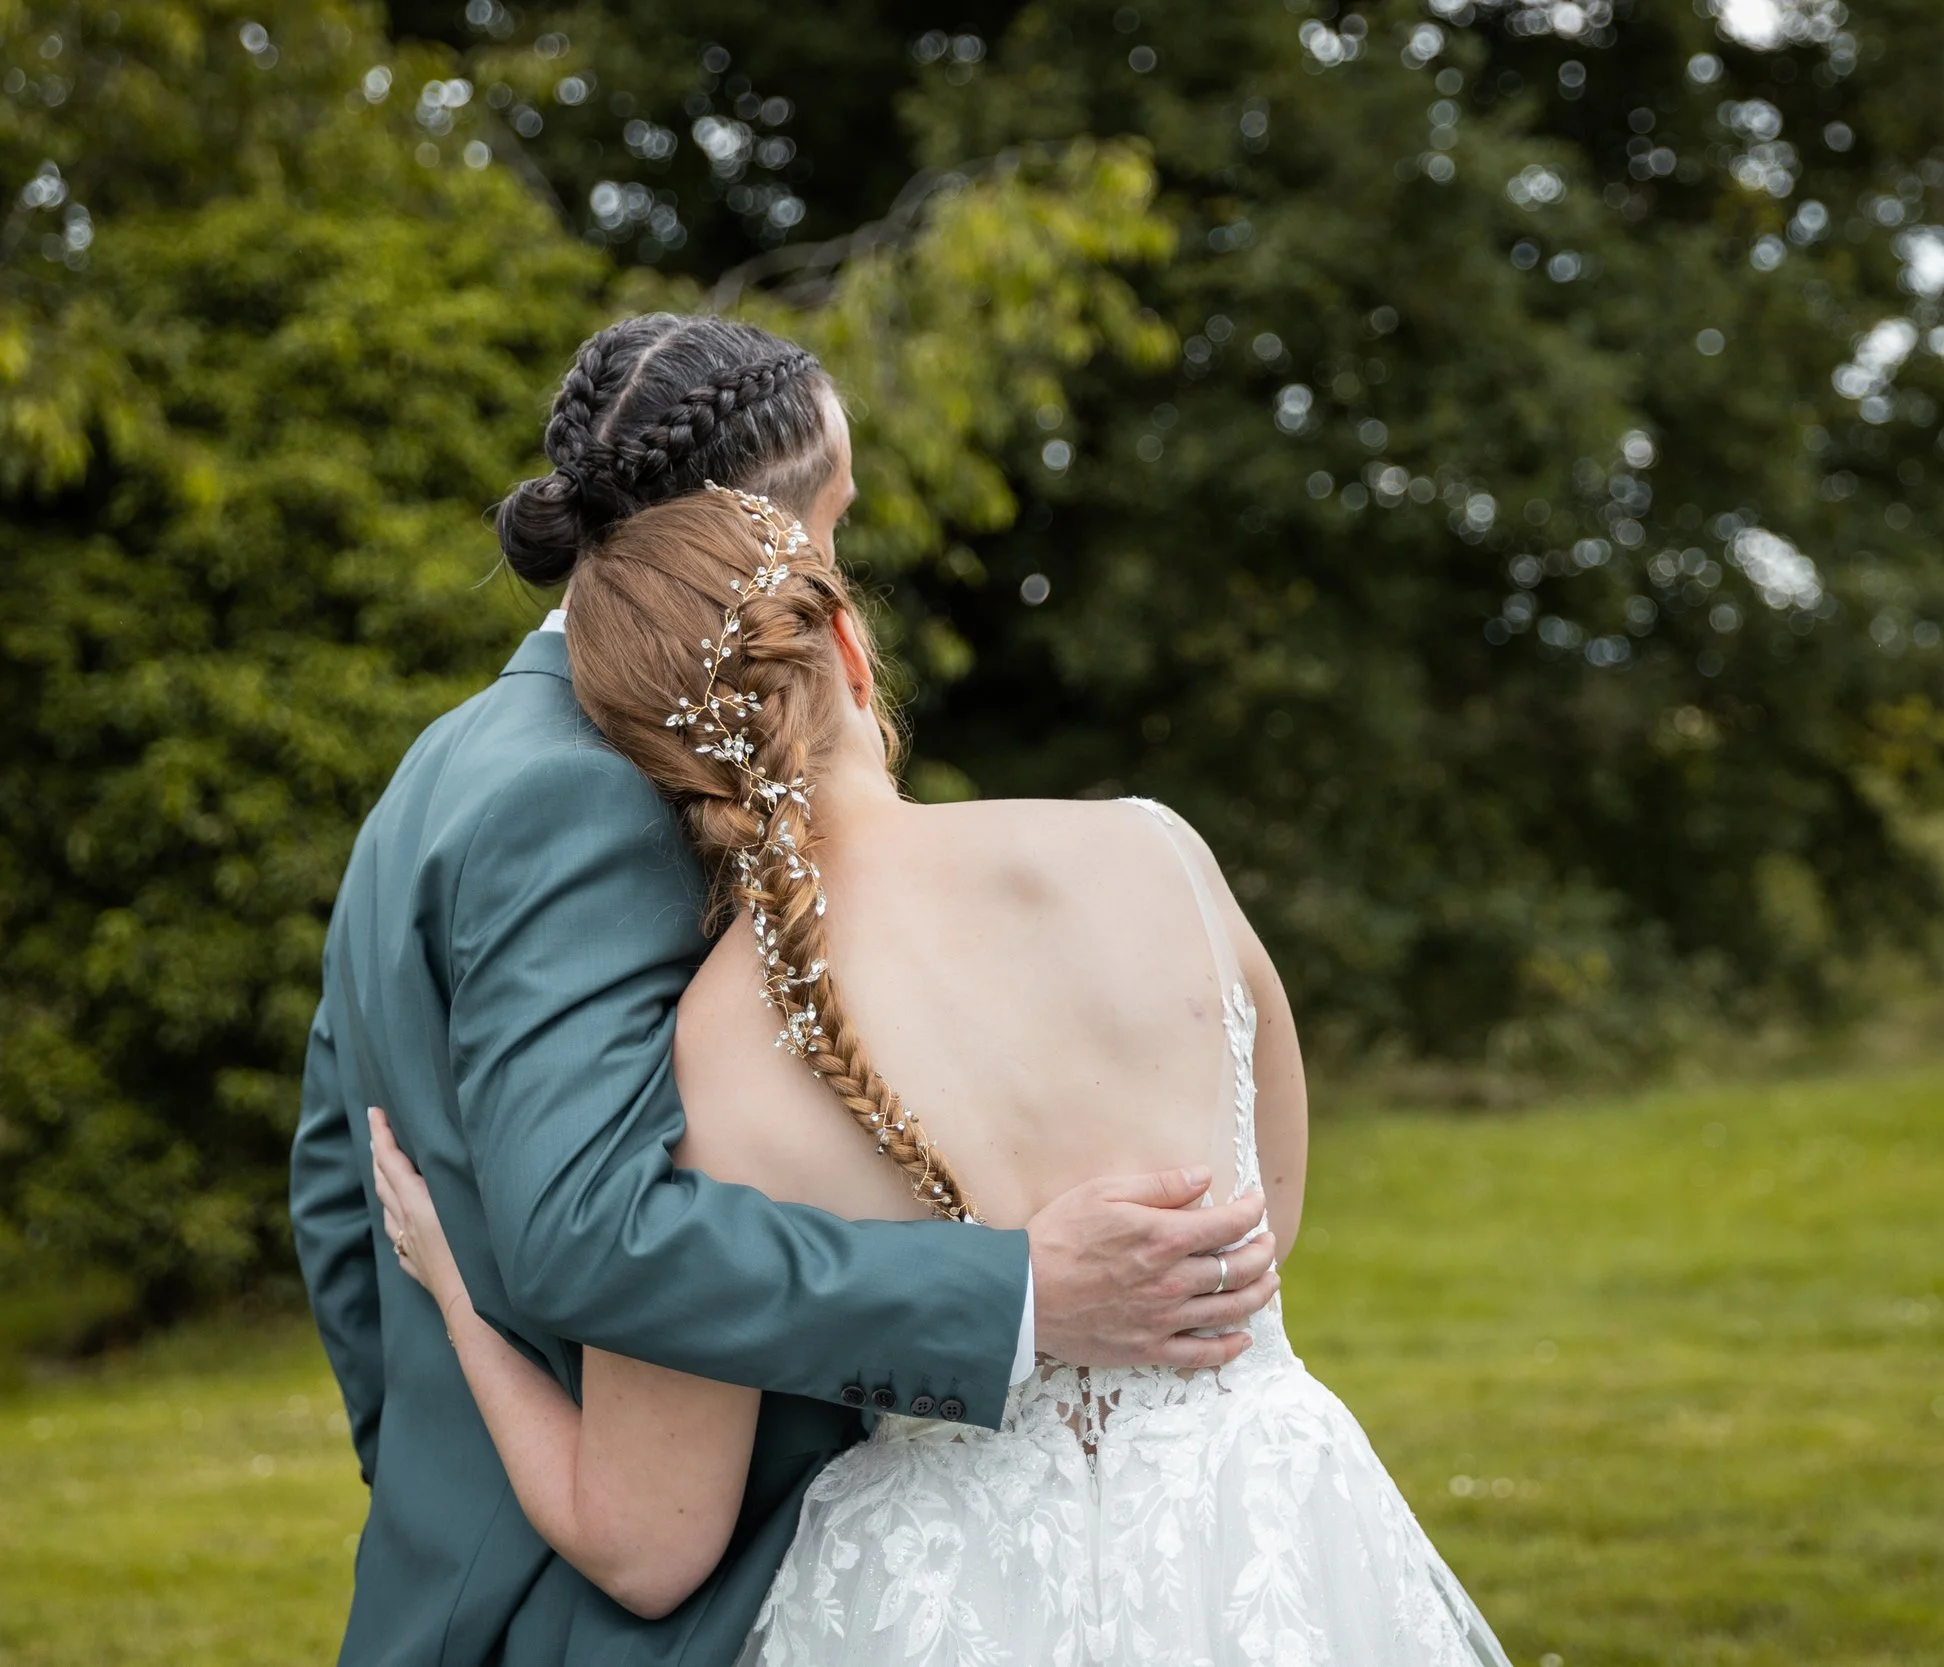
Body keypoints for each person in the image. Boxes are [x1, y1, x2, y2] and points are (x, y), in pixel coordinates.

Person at [363, 471, 1512, 1660]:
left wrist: (459, 1291)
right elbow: (1256, 1238)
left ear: (651, 759)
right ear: (849, 647)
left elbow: (649, 1548)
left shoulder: (709, 1059)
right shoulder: (1151, 851)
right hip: (1269, 1545)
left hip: (946, 1605)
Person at [290, 315, 1276, 1667]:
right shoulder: (585, 787)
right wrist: (1015, 1294)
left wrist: (430, 1478)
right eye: (837, 520)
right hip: (616, 1614)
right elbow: (587, 1231)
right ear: (767, 542)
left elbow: (340, 1191)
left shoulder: (446, 757)